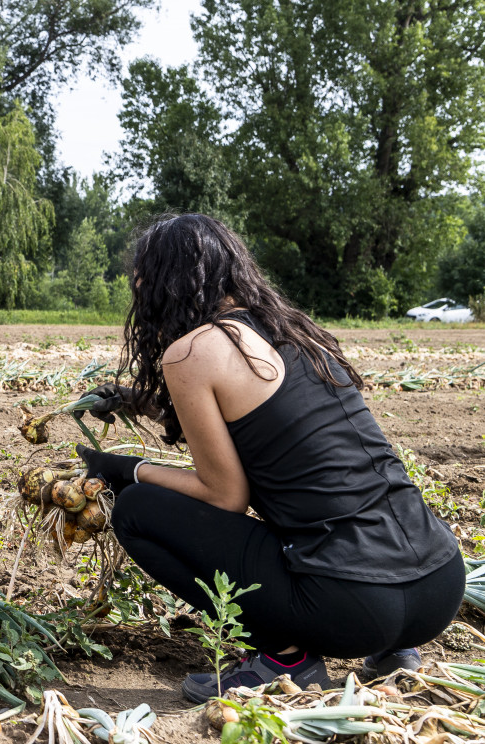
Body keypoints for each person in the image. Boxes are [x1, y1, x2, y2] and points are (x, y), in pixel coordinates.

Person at [77, 213, 464, 702]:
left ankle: (285, 656)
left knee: (136, 511)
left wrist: (124, 469)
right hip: (438, 583)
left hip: (354, 604)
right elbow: (256, 427)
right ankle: (393, 652)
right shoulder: (292, 331)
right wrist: (139, 401)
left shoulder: (191, 350)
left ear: (162, 285)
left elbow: (226, 496)